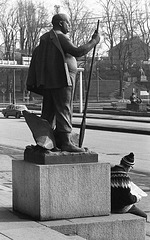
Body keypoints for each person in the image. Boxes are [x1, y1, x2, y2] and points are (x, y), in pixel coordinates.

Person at [27, 13, 100, 152]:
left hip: (50, 81)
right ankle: (66, 142)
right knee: (64, 109)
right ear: (60, 23)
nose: (69, 26)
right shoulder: (59, 35)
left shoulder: (46, 38)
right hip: (62, 79)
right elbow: (77, 51)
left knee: (49, 112)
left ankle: (44, 141)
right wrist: (94, 41)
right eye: (68, 23)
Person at [111, 152, 147, 220]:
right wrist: (137, 198)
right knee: (144, 216)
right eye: (131, 167)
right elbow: (128, 199)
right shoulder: (124, 177)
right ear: (128, 167)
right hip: (119, 207)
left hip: (109, 204)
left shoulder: (110, 170)